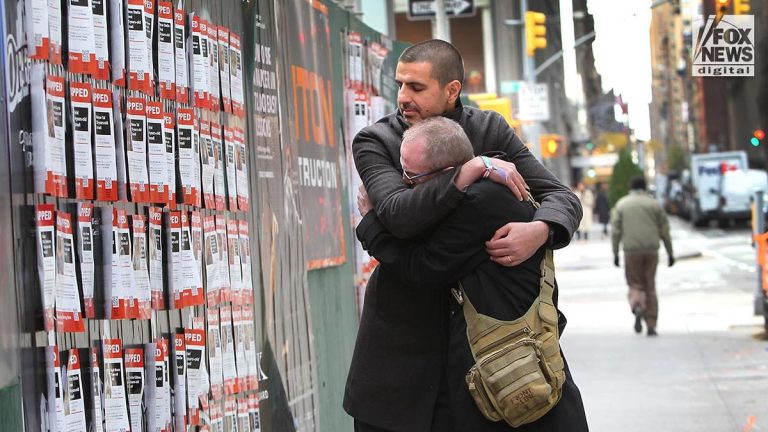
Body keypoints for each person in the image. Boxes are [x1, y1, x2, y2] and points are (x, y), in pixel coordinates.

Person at [346, 38, 582, 432]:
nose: (403, 97)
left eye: (416, 87)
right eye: (400, 84)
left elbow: (561, 196)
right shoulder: (378, 140)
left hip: (496, 350)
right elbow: (398, 214)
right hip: (402, 347)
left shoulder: (489, 128)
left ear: (451, 90)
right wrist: (470, 170)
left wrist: (540, 230)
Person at [611, 176, 675, 336]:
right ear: (645, 187)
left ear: (630, 188)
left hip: (631, 251)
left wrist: (615, 253)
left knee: (635, 283)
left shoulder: (622, 204)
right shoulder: (654, 204)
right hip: (651, 250)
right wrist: (670, 252)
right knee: (650, 286)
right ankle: (651, 323)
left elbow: (616, 231)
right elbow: (665, 230)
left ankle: (638, 306)